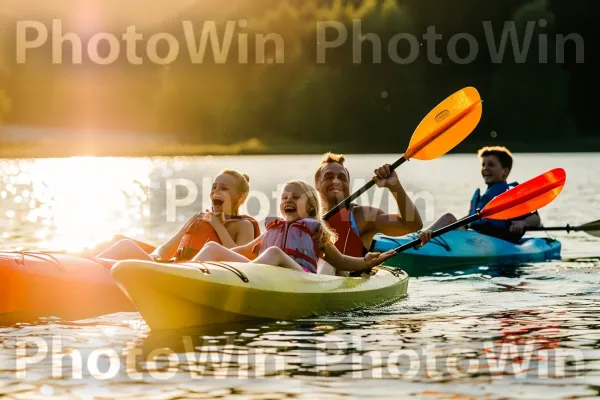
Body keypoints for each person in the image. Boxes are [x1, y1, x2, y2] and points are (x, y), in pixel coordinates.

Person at [191, 180, 395, 273]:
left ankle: (238, 279)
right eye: (284, 197)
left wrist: (365, 262)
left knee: (274, 252)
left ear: (310, 206)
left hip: (300, 277)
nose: (288, 200)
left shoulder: (316, 231)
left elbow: (341, 261)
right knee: (212, 247)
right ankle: (186, 273)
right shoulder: (275, 228)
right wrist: (221, 257)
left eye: (295, 197)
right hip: (262, 275)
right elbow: (242, 251)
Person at [96, 169, 260, 263]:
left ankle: (91, 268)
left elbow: (239, 259)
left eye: (224, 188)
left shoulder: (243, 225)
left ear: (240, 197)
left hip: (201, 276)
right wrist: (155, 256)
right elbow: (167, 248)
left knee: (125, 246)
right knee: (121, 242)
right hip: (174, 270)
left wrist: (217, 225)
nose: (216, 191)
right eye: (214, 187)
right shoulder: (200, 219)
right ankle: (89, 268)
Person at [313, 153, 423, 274]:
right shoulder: (307, 218)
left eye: (342, 178)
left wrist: (394, 186)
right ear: (317, 185)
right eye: (328, 177)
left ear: (348, 185)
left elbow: (412, 225)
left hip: (352, 283)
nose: (336, 181)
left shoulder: (364, 217)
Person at [418, 146, 541, 245]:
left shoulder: (514, 194)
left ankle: (421, 240)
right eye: (483, 165)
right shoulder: (485, 197)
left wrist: (522, 224)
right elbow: (474, 219)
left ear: (505, 171)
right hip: (476, 238)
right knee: (449, 218)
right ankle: (421, 237)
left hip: (500, 241)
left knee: (449, 219)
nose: (485, 168)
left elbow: (535, 218)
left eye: (491, 165)